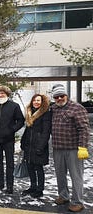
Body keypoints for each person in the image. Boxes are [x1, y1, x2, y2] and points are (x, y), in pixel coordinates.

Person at [50, 84, 90, 212]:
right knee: (60, 174)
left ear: (66, 95)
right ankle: (63, 195)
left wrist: (82, 147)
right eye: (56, 97)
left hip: (73, 148)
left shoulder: (77, 108)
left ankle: (78, 201)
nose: (59, 98)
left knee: (76, 176)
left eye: (62, 96)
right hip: (58, 148)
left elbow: (84, 129)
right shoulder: (53, 108)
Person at [0, 85, 24, 194]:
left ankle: (10, 185)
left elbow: (20, 120)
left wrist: (12, 130)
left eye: (2, 93)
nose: (0, 95)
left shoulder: (14, 106)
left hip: (8, 139)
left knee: (9, 163)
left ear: (7, 94)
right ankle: (0, 183)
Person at [20, 94, 51, 198]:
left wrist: (40, 147)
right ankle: (33, 186)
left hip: (38, 146)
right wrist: (23, 142)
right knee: (30, 167)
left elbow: (46, 132)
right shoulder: (29, 113)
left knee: (38, 168)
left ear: (42, 102)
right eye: (34, 100)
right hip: (29, 145)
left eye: (38, 100)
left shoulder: (46, 113)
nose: (36, 102)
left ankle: (40, 189)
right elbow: (28, 129)